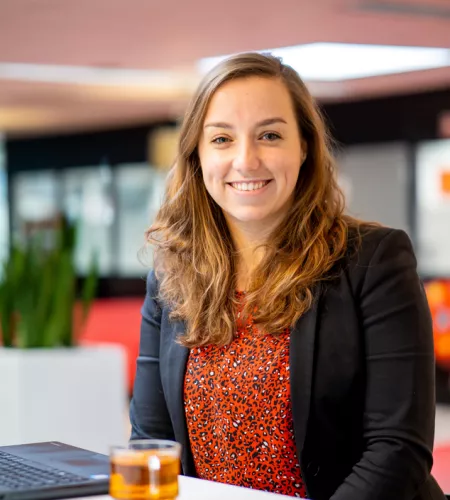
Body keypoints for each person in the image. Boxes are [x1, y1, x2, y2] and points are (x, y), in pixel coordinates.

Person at [130, 52, 446, 500]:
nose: (246, 160)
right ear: (198, 154)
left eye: (270, 135)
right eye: (221, 139)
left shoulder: (374, 261)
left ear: (304, 147)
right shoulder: (171, 276)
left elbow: (397, 453)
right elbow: (150, 443)